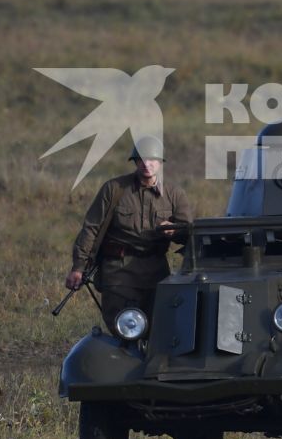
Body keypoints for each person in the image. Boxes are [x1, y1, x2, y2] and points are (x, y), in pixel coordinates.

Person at [67, 136, 196, 327]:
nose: (147, 164)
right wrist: (78, 267)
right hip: (118, 273)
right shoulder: (114, 189)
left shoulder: (174, 194)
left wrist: (174, 232)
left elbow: (189, 234)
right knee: (122, 329)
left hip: (156, 273)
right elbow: (91, 228)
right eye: (142, 159)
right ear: (135, 162)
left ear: (160, 163)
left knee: (158, 330)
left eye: (152, 160)